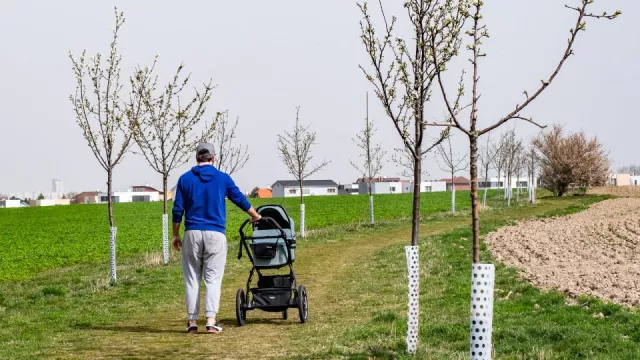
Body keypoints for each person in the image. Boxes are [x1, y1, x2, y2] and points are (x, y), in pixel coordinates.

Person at [172, 142, 261, 334]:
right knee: (213, 278)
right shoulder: (223, 178)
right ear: (213, 158)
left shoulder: (184, 179)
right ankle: (211, 321)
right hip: (215, 234)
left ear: (197, 158)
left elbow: (177, 208)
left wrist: (175, 234)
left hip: (192, 233)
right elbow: (239, 198)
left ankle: (192, 322)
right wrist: (254, 215)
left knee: (192, 278)